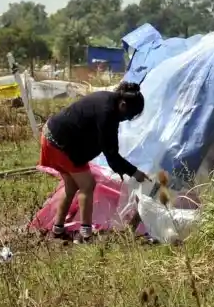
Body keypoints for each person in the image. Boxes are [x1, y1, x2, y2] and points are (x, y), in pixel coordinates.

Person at [39, 81, 150, 243]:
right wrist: (135, 172)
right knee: (87, 185)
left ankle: (57, 229)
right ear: (123, 104)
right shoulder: (107, 113)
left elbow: (108, 148)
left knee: (71, 186)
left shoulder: (108, 99)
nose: (125, 119)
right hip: (61, 143)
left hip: (52, 136)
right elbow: (111, 155)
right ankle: (85, 234)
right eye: (128, 115)